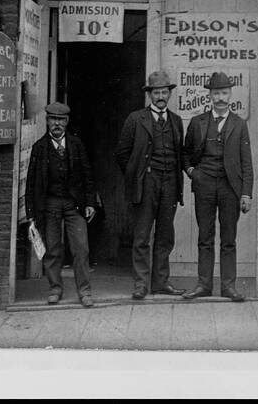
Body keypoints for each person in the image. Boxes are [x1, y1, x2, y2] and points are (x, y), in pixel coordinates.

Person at [181, 72, 253, 302]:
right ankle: (203, 285)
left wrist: (246, 193)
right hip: (204, 186)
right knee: (205, 236)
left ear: (230, 94)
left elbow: (246, 162)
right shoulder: (197, 122)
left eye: (224, 92)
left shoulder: (239, 125)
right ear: (209, 95)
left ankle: (228, 287)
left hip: (230, 187)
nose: (220, 97)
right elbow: (185, 154)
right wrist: (193, 173)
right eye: (216, 93)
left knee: (229, 239)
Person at [114, 70, 186, 299]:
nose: (161, 96)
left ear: (170, 94)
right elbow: (122, 154)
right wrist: (137, 176)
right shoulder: (136, 119)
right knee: (142, 235)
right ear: (150, 95)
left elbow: (179, 154)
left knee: (165, 236)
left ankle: (160, 282)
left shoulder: (175, 121)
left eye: (165, 91)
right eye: (156, 92)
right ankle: (141, 284)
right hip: (146, 184)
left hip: (170, 184)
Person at [25, 101, 97, 308]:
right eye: (53, 119)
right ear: (47, 121)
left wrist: (90, 202)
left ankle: (84, 291)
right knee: (53, 248)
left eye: (61, 120)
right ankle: (55, 288)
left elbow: (87, 175)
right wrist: (31, 212)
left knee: (81, 248)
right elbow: (31, 182)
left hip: (74, 204)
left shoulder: (76, 144)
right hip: (50, 204)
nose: (57, 124)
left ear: (67, 122)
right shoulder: (39, 148)